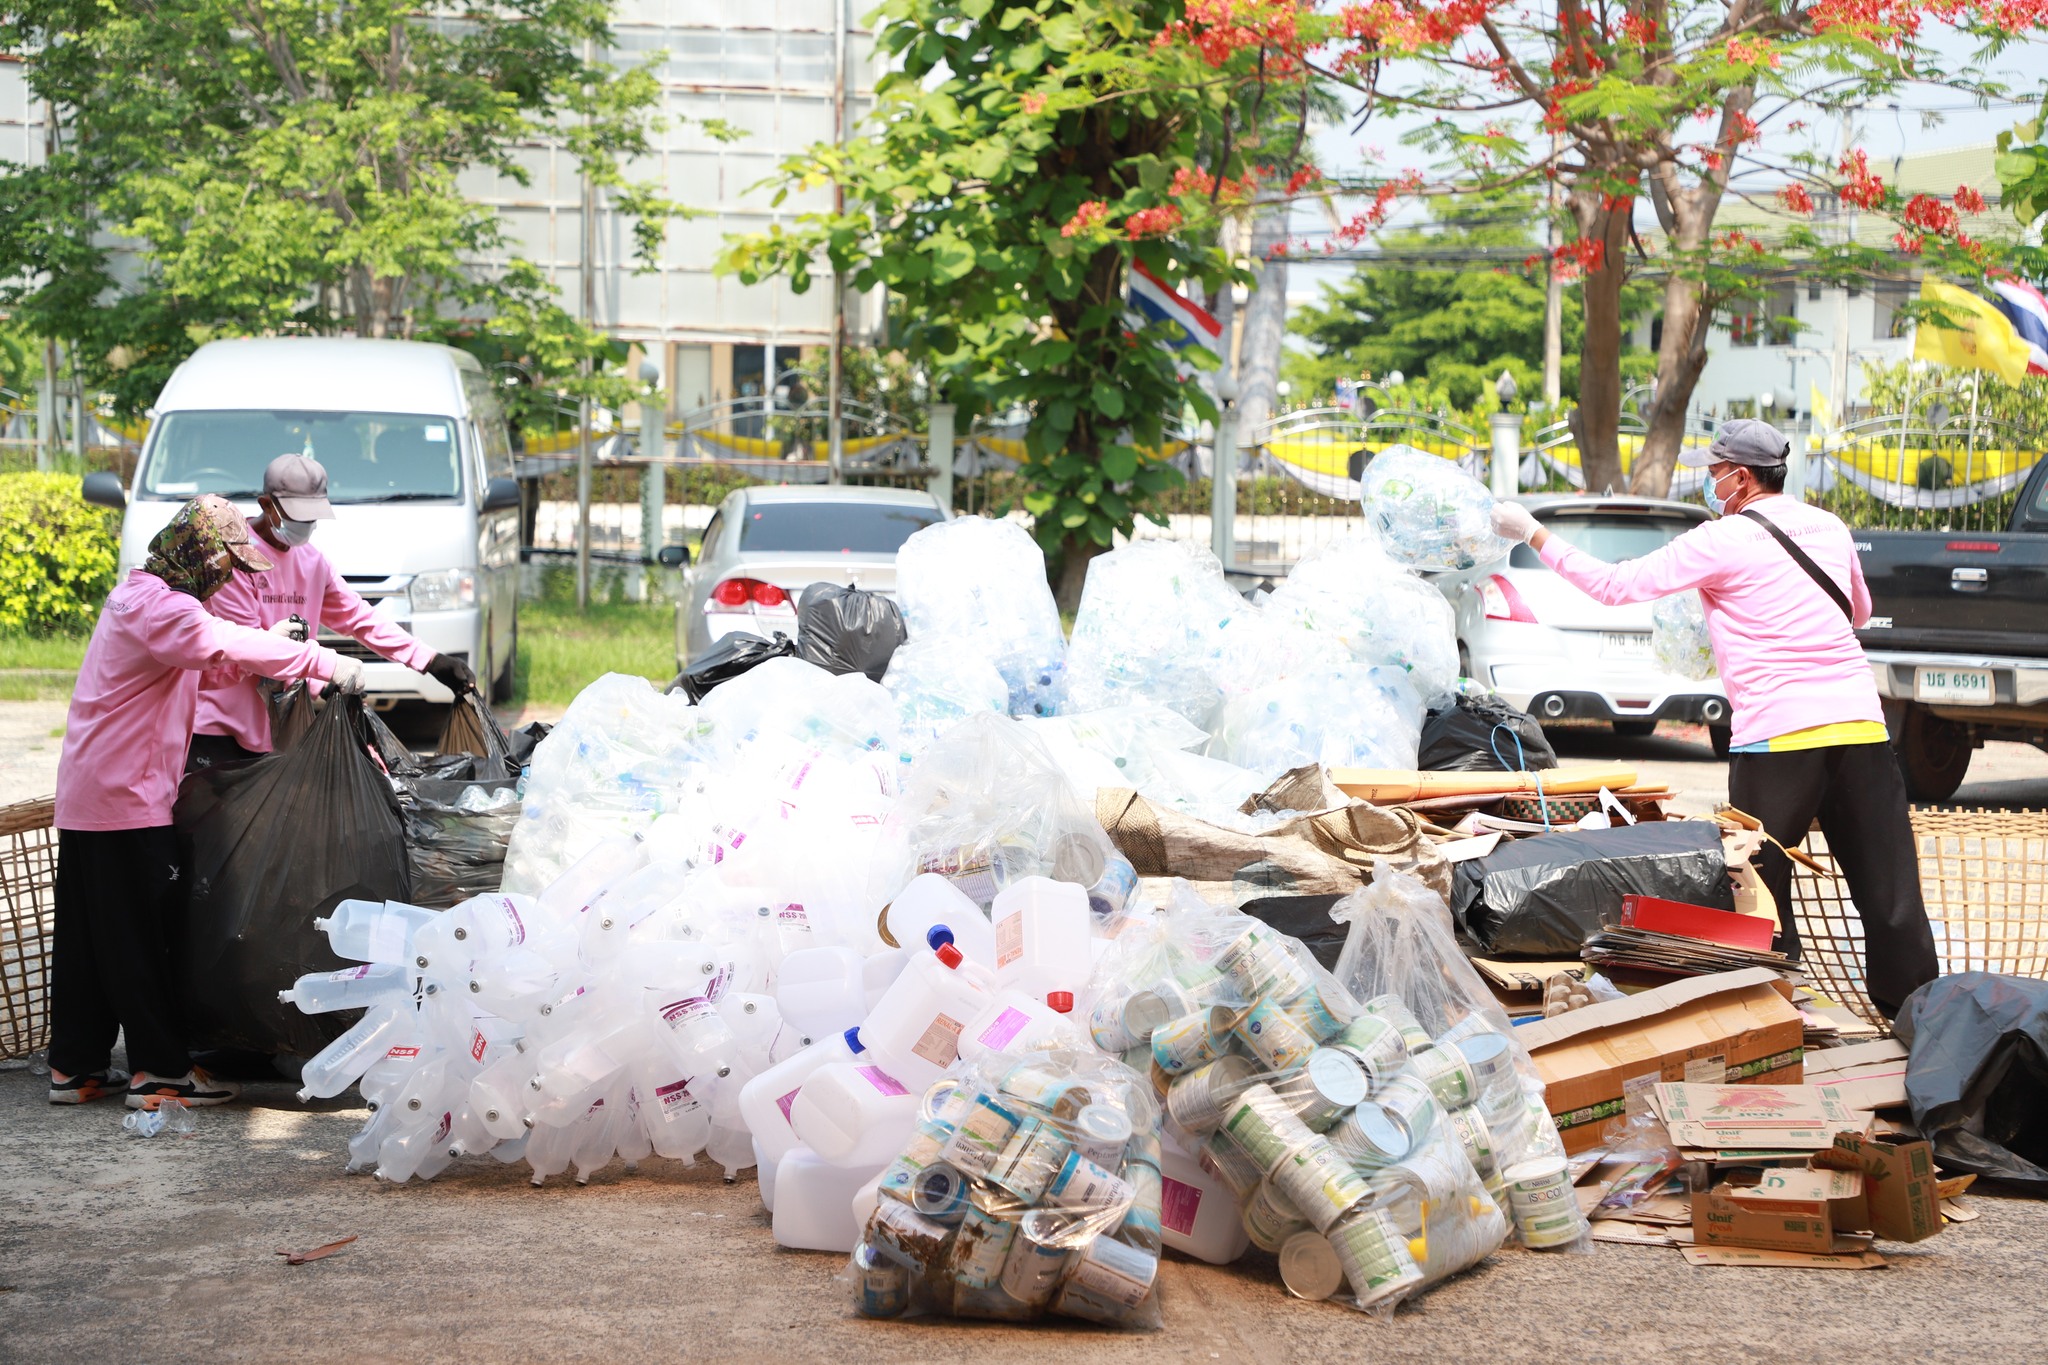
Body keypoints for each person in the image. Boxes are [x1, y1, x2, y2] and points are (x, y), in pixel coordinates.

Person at [1490, 418, 1940, 1018]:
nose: (1710, 481)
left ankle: (1778, 1011)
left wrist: (1533, 532)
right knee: (1891, 892)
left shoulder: (1720, 540)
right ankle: (1922, 1018)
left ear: (1742, 477)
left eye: (1715, 471)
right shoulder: (1829, 526)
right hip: (1860, 726)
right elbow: (1858, 611)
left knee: (1757, 886)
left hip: (1778, 736)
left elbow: (1615, 586)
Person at [47, 496, 363, 1109]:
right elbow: (215, 643)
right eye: (227, 564)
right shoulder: (162, 607)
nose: (227, 578)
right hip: (126, 797)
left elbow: (203, 666)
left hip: (94, 791)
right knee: (141, 937)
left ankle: (75, 1066)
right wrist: (322, 661)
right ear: (201, 555)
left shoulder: (137, 596)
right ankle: (161, 1075)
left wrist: (266, 643)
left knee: (89, 936)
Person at [187, 453, 476, 770]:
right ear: (267, 505)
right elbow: (250, 649)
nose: (306, 525)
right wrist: (321, 679)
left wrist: (429, 660)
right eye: (298, 516)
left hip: (277, 728)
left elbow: (359, 617)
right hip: (221, 726)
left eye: (312, 517)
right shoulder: (237, 560)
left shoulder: (312, 562)